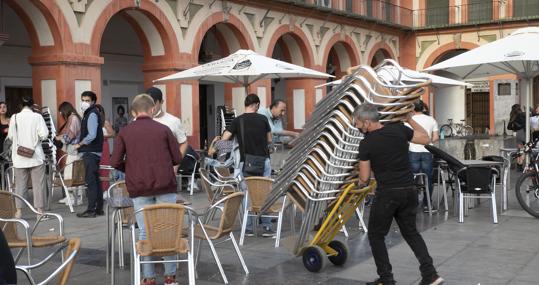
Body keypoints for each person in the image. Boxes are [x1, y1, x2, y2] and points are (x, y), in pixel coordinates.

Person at [354, 103, 443, 285]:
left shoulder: (366, 143)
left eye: (357, 123)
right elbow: (425, 139)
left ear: (367, 122)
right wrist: (409, 119)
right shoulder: (399, 129)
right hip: (409, 190)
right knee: (411, 233)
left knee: (376, 235)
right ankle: (431, 275)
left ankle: (387, 279)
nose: (356, 126)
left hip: (388, 194)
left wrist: (358, 177)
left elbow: (364, 178)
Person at [110, 94, 181, 285]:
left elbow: (115, 161)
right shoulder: (164, 129)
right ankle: (170, 276)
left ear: (133, 112)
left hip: (139, 188)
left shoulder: (125, 132)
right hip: (165, 185)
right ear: (152, 110)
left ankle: (148, 277)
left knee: (144, 231)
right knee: (167, 229)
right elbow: (177, 158)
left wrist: (131, 168)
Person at [220, 93, 274, 237]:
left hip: (246, 162)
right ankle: (267, 226)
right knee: (264, 192)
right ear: (256, 104)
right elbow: (269, 140)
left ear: (246, 104)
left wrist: (221, 155)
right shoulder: (263, 119)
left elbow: (225, 138)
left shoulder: (238, 121)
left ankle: (249, 228)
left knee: (247, 194)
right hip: (264, 161)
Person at [7, 95, 49, 218]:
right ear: (32, 105)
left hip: (19, 157)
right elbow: (44, 135)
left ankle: (19, 211)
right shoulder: (37, 117)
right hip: (35, 156)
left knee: (20, 185)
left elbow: (10, 137)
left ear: (20, 105)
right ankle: (40, 212)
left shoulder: (14, 117)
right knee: (38, 185)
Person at [74, 91, 104, 218]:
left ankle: (91, 209)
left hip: (90, 151)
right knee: (95, 181)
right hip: (93, 151)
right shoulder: (90, 113)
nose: (84, 102)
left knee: (91, 182)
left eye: (87, 100)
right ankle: (98, 208)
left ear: (93, 102)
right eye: (83, 100)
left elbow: (92, 135)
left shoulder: (91, 114)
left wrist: (80, 144)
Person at [407, 100, 439, 213]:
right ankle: (427, 204)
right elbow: (435, 138)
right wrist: (427, 141)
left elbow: (406, 136)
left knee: (413, 178)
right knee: (428, 179)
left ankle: (413, 203)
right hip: (427, 151)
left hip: (413, 151)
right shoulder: (431, 120)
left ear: (412, 109)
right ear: (423, 108)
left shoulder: (409, 121)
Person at [55, 101, 83, 205]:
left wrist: (59, 139)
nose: (61, 114)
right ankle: (71, 197)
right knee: (75, 175)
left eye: (61, 112)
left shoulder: (73, 118)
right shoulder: (75, 117)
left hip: (74, 151)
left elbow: (70, 135)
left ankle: (74, 199)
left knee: (71, 176)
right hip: (75, 151)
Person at [96, 104, 115, 191]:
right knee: (96, 167)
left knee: (104, 167)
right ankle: (97, 189)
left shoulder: (105, 122)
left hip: (103, 145)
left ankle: (105, 190)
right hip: (94, 146)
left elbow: (113, 134)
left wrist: (103, 136)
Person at [508, 104, 526, 171]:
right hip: (523, 133)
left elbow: (509, 127)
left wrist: (515, 128)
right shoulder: (523, 114)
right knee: (523, 150)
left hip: (518, 133)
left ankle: (518, 165)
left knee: (519, 150)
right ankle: (520, 165)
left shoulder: (513, 116)